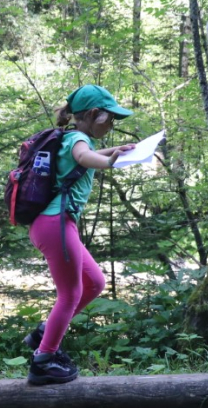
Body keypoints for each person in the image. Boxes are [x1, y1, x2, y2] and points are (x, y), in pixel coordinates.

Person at [24, 84, 135, 386]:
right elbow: (85, 157)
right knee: (71, 293)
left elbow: (86, 155)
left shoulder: (72, 138)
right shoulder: (78, 140)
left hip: (56, 223)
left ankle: (43, 333)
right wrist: (110, 161)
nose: (112, 125)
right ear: (94, 114)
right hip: (55, 223)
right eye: (110, 118)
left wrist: (118, 151)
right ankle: (44, 360)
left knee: (95, 283)